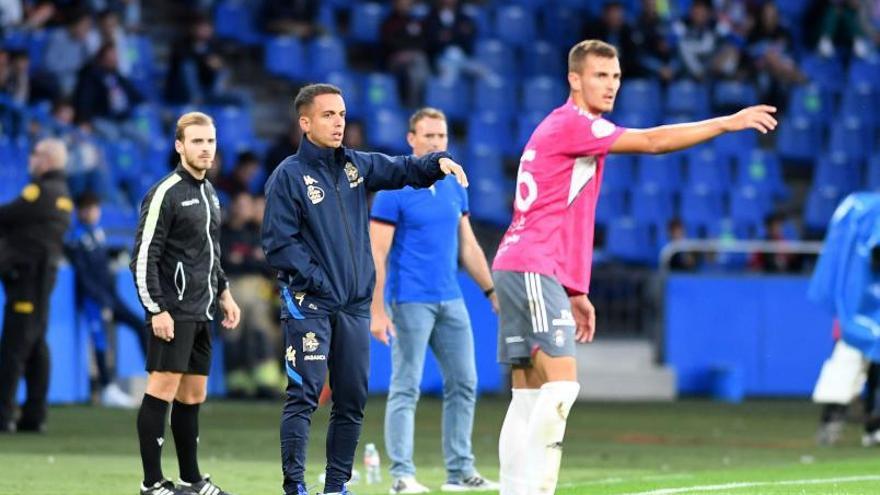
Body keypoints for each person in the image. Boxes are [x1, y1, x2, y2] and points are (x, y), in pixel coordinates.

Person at [492, 39, 777, 495]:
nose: (610, 85)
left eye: (616, 76)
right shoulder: (573, 123)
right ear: (574, 79)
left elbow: (559, 212)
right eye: (600, 75)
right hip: (531, 265)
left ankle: (513, 490)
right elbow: (654, 141)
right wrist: (727, 122)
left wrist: (574, 289)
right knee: (561, 388)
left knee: (528, 394)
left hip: (523, 264)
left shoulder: (568, 127)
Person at [261, 83, 468, 495]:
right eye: (327, 115)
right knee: (303, 396)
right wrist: (319, 283)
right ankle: (295, 487)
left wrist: (438, 161)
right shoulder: (288, 176)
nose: (338, 123)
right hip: (311, 304)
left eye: (341, 114)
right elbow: (278, 244)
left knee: (352, 399)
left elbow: (403, 169)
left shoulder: (356, 166)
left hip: (353, 306)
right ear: (305, 123)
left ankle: (336, 486)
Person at [369, 107, 498, 494]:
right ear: (411, 140)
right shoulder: (394, 188)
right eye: (429, 137)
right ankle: (402, 476)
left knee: (465, 383)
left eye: (442, 137)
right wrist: (377, 310)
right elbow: (377, 252)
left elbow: (469, 244)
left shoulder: (455, 183)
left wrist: (491, 291)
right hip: (409, 300)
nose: (437, 144)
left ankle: (460, 472)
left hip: (451, 298)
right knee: (406, 386)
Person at [130, 111, 241, 495]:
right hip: (172, 312)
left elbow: (209, 253)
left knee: (193, 395)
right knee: (161, 388)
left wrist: (224, 291)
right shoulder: (166, 193)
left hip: (202, 309)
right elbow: (143, 256)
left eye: (210, 141)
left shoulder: (210, 192)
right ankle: (151, 484)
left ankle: (191, 480)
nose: (206, 148)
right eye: (197, 141)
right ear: (180, 146)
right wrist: (156, 309)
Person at [0, 138, 72, 433]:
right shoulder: (62, 194)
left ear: (48, 160)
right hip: (40, 279)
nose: (31, 158)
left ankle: (3, 415)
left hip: (27, 280)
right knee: (36, 344)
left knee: (15, 347)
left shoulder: (41, 192)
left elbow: (7, 215)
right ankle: (35, 414)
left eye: (36, 154)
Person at [67, 191, 148, 408]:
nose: (93, 213)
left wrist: (115, 254)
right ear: (80, 212)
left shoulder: (97, 233)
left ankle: (156, 377)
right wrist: (101, 301)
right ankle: (107, 388)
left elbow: (100, 264)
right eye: (88, 209)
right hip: (94, 298)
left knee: (140, 325)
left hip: (110, 296)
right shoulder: (76, 238)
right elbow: (83, 274)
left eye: (95, 208)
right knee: (100, 339)